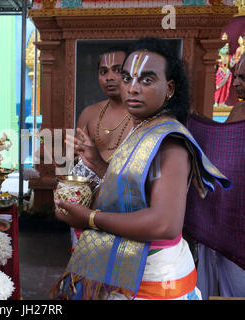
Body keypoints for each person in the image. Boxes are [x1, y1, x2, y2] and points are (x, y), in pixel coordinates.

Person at [51, 37, 231, 300]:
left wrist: (89, 218)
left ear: (169, 88)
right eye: (127, 79)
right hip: (129, 263)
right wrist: (98, 163)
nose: (132, 89)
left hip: (153, 278)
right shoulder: (144, 126)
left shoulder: (170, 142)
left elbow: (164, 223)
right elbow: (136, 188)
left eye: (146, 80)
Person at [184, 53, 245, 299]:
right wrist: (193, 122)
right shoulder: (239, 108)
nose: (237, 83)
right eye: (236, 76)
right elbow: (223, 147)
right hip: (224, 213)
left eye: (244, 77)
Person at [70, 47, 132, 249]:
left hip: (123, 211)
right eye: (104, 71)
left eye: (117, 70)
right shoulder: (89, 113)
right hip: (84, 211)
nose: (110, 77)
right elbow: (75, 162)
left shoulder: (142, 116)